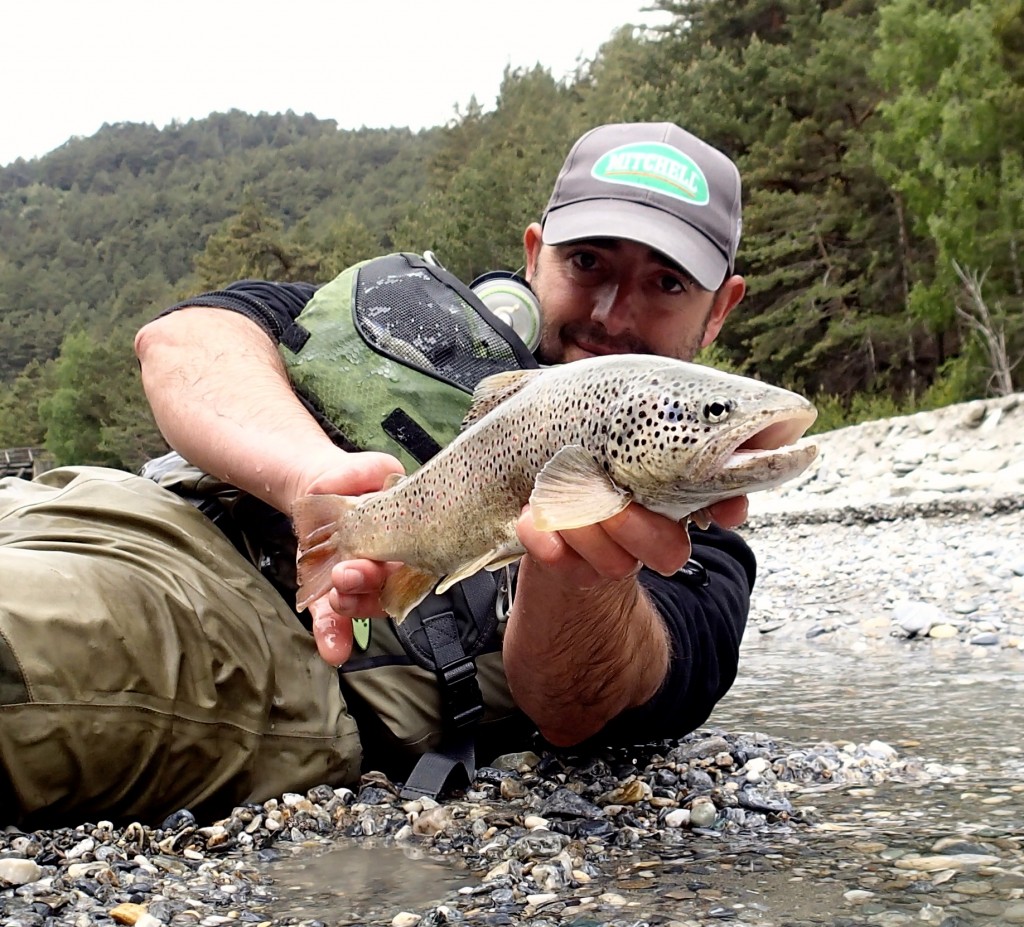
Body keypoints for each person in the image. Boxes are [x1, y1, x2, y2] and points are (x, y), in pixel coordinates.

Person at [0, 122, 752, 826]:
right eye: (587, 262)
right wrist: (317, 483)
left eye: (667, 284)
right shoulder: (407, 329)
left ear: (720, 310)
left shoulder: (699, 551)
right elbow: (183, 341)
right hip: (92, 501)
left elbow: (576, 705)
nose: (614, 313)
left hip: (225, 637)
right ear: (534, 254)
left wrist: (578, 553)